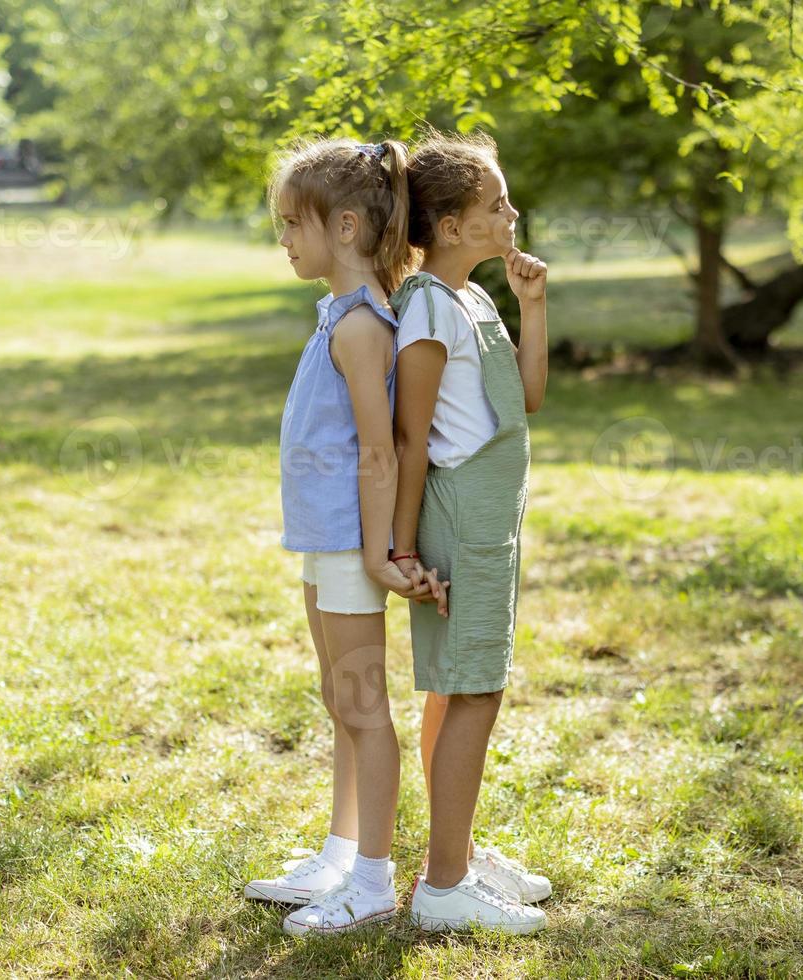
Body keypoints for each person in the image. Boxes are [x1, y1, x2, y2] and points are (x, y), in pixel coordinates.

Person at [244, 137, 438, 936]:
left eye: (295, 222)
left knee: (363, 705)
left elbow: (380, 447)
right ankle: (338, 854)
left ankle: (372, 881)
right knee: (339, 699)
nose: (285, 238)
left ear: (348, 226)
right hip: (323, 538)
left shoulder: (363, 326)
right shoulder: (338, 312)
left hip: (350, 545)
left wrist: (379, 552)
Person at [389, 131, 553, 934]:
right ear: (450, 227)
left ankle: (454, 851)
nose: (512, 213)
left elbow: (528, 398)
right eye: (497, 204)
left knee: (456, 683)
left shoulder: (475, 298)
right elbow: (409, 438)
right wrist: (404, 547)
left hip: (493, 519)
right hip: (462, 520)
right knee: (475, 689)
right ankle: (444, 885)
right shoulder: (425, 306)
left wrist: (534, 307)